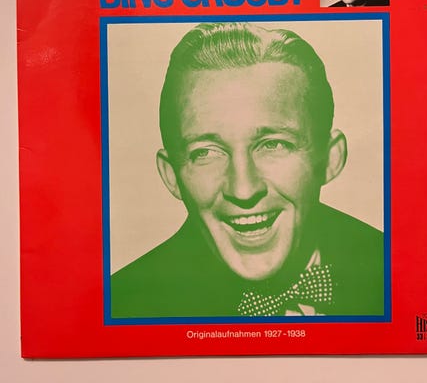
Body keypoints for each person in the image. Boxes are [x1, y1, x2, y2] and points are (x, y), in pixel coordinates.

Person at [111, 22, 384, 318]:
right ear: (171, 175)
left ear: (330, 158)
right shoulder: (123, 305)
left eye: (273, 145)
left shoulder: (394, 268)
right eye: (206, 152)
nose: (243, 189)